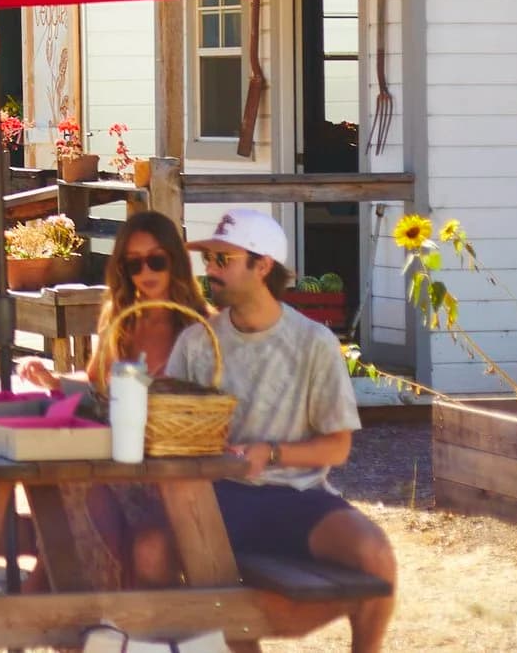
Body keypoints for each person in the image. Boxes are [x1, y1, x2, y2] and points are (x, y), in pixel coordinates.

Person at [166, 208, 396, 653]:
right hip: (218, 500)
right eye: (209, 258)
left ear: (263, 265)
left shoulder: (314, 342)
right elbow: (169, 427)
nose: (210, 269)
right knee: (225, 601)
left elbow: (338, 447)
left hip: (297, 497)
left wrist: (269, 454)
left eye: (222, 259)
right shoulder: (196, 343)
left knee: (377, 558)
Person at [19, 209, 211, 585]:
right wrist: (52, 379)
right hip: (119, 463)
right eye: (134, 264)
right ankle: (80, 623)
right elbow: (95, 385)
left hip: (174, 477)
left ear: (175, 260)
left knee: (138, 542)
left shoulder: (198, 327)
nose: (147, 273)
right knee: (65, 512)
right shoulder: (121, 319)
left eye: (157, 260)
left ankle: (112, 627)